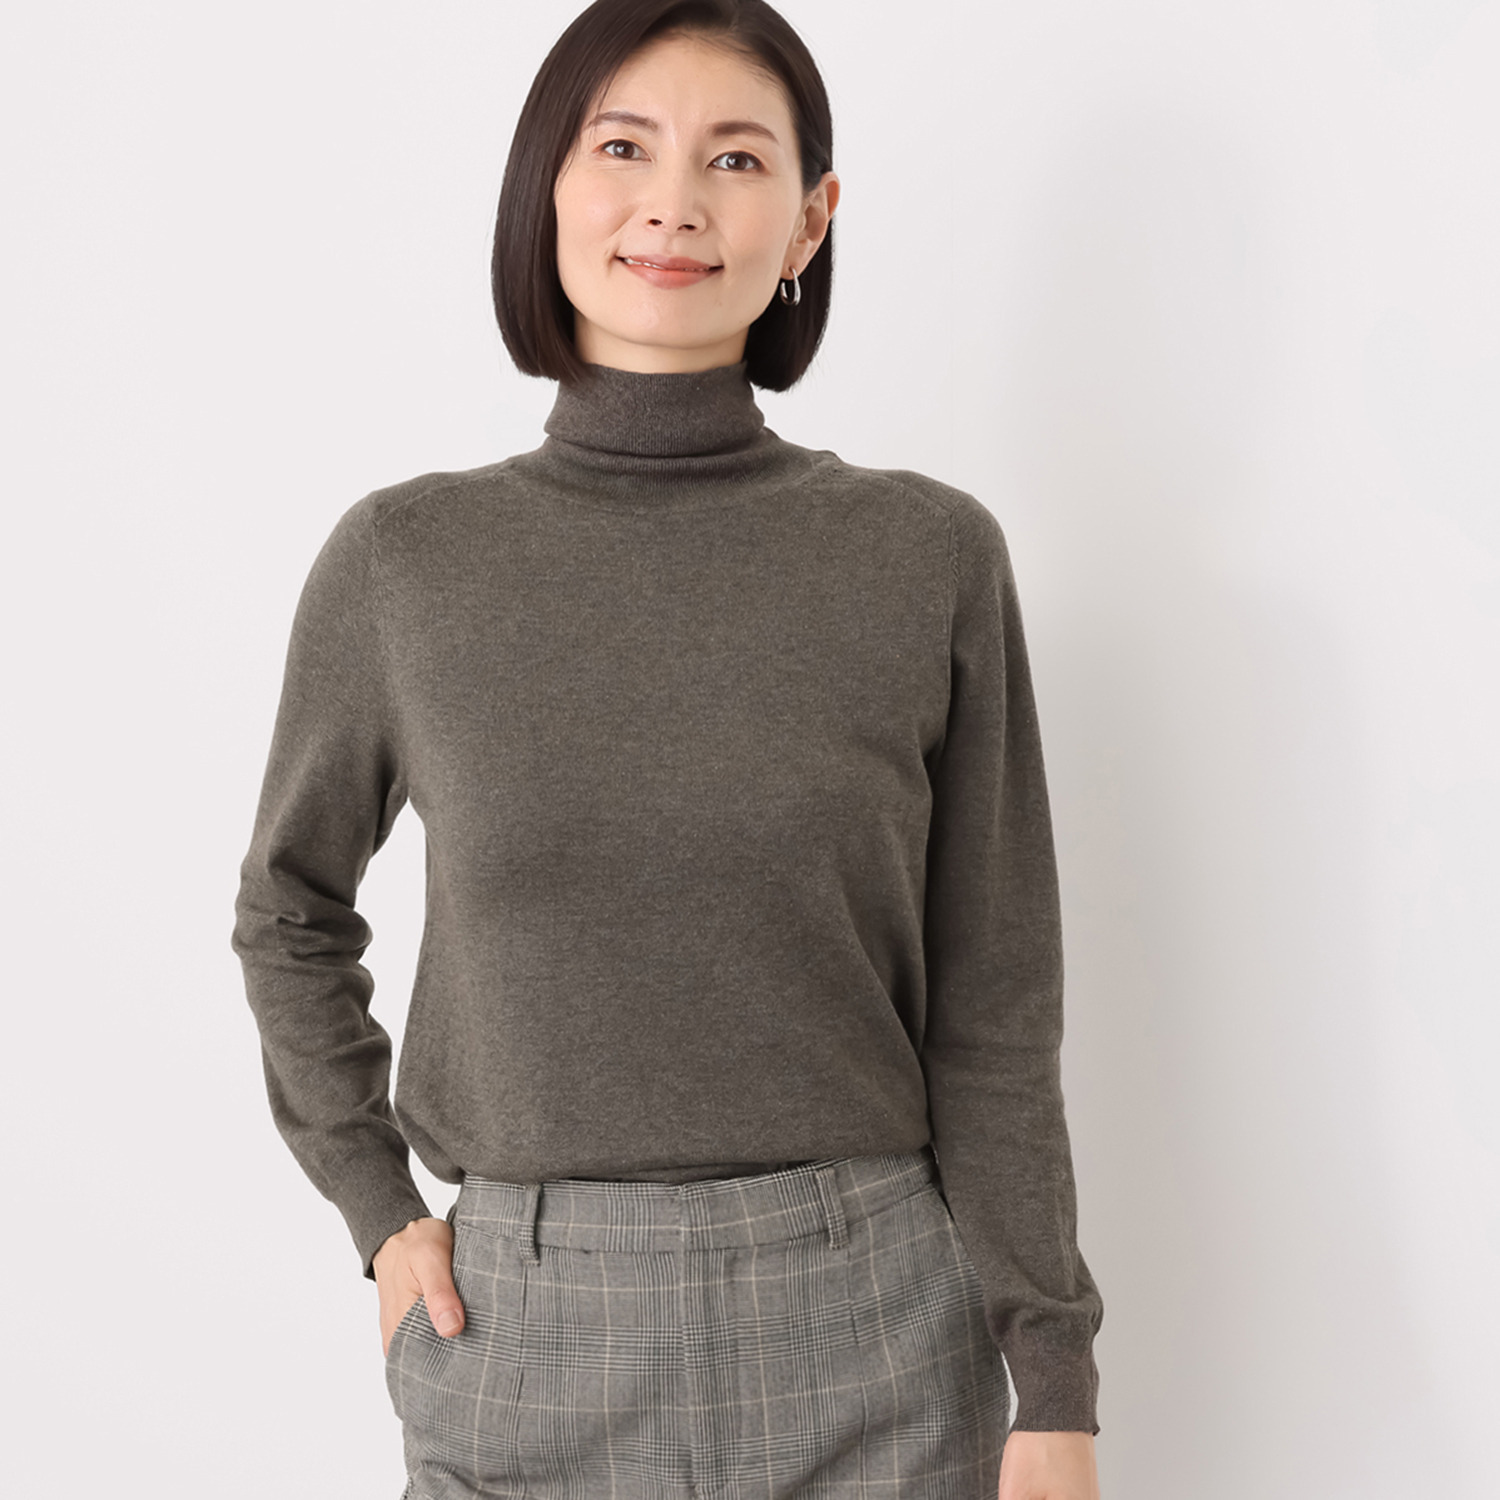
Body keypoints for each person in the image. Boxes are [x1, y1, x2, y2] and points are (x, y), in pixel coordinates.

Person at [230, 1, 1104, 1496]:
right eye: (623, 147)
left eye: (737, 158)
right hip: (519, 1329)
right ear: (547, 187)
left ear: (809, 220)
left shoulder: (926, 556)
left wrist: (1056, 1385)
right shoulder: (407, 561)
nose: (675, 202)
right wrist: (379, 1211)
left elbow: (996, 1005)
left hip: (878, 1322)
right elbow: (289, 911)